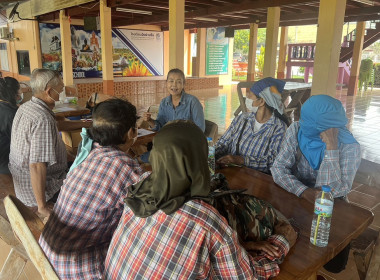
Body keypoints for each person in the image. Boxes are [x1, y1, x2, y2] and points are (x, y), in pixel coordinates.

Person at [104, 121, 290, 280]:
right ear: (199, 160)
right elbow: (246, 276)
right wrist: (281, 242)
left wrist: (240, 247)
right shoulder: (205, 221)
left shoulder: (138, 190)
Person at [39, 99, 150, 280]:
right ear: (131, 133)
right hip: (77, 268)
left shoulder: (89, 156)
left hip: (47, 254)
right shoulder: (128, 170)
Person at [271, 94, 360, 273]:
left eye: (309, 121)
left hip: (332, 208)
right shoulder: (297, 130)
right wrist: (303, 191)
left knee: (332, 263)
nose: (303, 123)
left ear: (324, 127)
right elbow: (278, 169)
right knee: (286, 248)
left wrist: (331, 148)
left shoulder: (350, 146)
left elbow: (332, 190)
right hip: (297, 198)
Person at [8, 69, 89, 217]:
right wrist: (42, 206)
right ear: (49, 91)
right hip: (40, 191)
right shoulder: (42, 118)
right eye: (61, 89)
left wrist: (88, 123)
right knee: (88, 186)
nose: (63, 92)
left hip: (23, 185)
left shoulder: (27, 107)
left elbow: (57, 126)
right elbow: (37, 165)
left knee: (76, 164)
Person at [215, 77, 289, 173]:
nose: (247, 98)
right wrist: (211, 154)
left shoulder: (279, 128)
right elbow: (223, 143)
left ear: (261, 101)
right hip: (231, 173)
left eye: (250, 96)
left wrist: (241, 160)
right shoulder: (242, 119)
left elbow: (272, 162)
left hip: (256, 180)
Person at [0, 77, 22, 175]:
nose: (20, 95)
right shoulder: (11, 114)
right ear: (12, 93)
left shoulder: (4, 108)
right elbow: (21, 143)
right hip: (7, 165)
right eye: (18, 91)